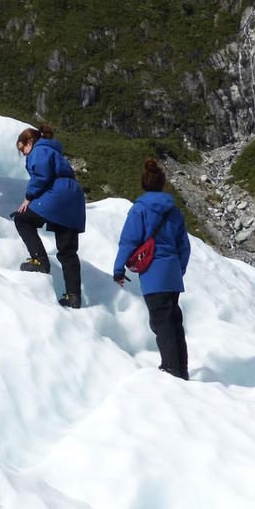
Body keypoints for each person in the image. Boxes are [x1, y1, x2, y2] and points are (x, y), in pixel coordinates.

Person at [113, 158, 192, 379]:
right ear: (162, 184)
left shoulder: (140, 210)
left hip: (153, 275)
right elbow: (184, 246)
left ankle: (171, 368)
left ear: (144, 184)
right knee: (174, 321)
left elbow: (128, 242)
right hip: (172, 273)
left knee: (161, 321)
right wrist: (179, 269)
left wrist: (119, 270)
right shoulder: (174, 211)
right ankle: (181, 369)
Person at [13, 125, 86, 308]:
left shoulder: (39, 150)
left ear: (30, 142)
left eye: (23, 149)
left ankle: (40, 261)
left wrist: (28, 198)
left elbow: (41, 176)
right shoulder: (55, 152)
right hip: (74, 198)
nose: (24, 154)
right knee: (68, 251)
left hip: (58, 194)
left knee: (22, 219)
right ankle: (73, 296)